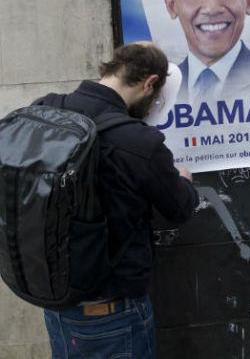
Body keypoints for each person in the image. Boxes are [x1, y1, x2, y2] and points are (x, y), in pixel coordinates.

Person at [40, 42, 199, 359]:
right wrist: (184, 181)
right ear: (149, 83)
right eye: (156, 97)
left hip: (57, 307)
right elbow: (179, 208)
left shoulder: (47, 109)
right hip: (113, 314)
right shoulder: (139, 141)